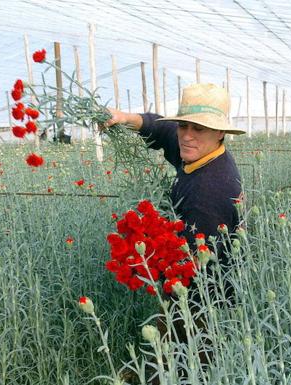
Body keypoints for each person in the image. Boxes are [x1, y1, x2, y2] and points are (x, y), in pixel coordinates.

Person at [105, 83, 245, 383]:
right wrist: (125, 118)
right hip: (186, 290)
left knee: (186, 367)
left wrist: (145, 255)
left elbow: (196, 268)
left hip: (200, 301)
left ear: (220, 132)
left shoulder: (210, 191)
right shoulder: (200, 153)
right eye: (183, 125)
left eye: (198, 128)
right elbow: (163, 131)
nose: (186, 135)